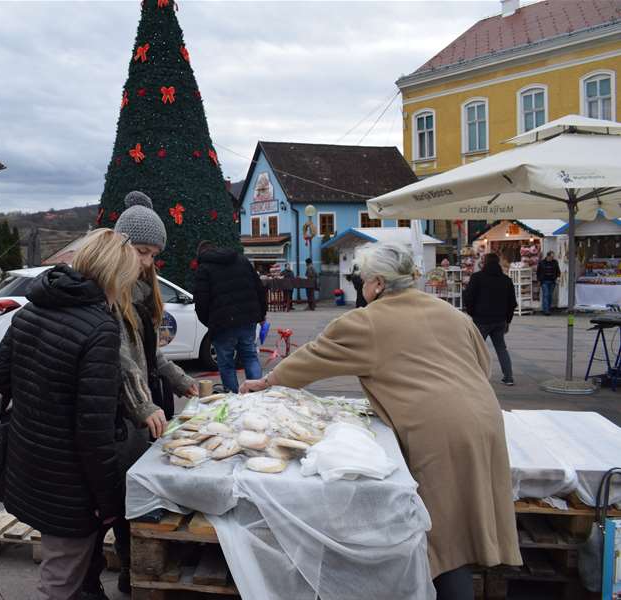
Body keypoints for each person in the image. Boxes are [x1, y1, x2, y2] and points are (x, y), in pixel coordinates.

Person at [240, 243, 521, 600]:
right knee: (467, 518)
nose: (359, 286)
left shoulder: (368, 320)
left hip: (437, 429)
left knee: (442, 534)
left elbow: (313, 357)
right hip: (484, 419)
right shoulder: (449, 312)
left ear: (376, 283)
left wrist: (266, 382)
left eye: (360, 280)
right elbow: (484, 366)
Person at [0, 229, 140, 600]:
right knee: (61, 578)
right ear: (116, 276)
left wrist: (42, 396)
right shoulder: (100, 327)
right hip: (69, 481)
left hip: (30, 461)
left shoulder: (35, 305)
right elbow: (94, 431)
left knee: (64, 566)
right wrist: (109, 502)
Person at [76, 190, 197, 595]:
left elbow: (149, 355)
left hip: (139, 413)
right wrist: (142, 404)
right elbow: (120, 361)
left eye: (152, 254)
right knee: (118, 498)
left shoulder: (143, 294)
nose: (148, 262)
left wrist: (182, 381)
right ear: (121, 248)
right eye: (142, 252)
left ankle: (133, 570)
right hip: (116, 416)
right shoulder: (108, 298)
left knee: (133, 497)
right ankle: (123, 570)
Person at [195, 240, 267, 393]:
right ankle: (257, 395)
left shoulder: (204, 268)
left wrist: (209, 322)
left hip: (222, 324)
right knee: (250, 356)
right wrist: (261, 314)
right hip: (248, 319)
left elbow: (201, 301)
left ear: (200, 254)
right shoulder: (241, 260)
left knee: (226, 363)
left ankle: (233, 399)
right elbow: (259, 288)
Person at [463, 253, 518, 386]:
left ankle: (474, 376)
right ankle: (508, 377)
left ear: (485, 262)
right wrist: (508, 321)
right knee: (501, 348)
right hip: (500, 320)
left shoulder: (477, 278)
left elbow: (468, 297)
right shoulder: (506, 280)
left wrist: (472, 313)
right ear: (498, 263)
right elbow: (512, 303)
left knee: (476, 349)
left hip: (480, 319)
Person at [536, 251, 560, 315]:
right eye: (551, 256)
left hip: (552, 281)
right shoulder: (542, 263)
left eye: (553, 256)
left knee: (550, 295)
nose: (552, 258)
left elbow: (558, 271)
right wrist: (538, 280)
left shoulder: (555, 262)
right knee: (546, 295)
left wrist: (558, 277)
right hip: (544, 281)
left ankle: (548, 308)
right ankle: (546, 310)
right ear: (548, 256)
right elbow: (538, 272)